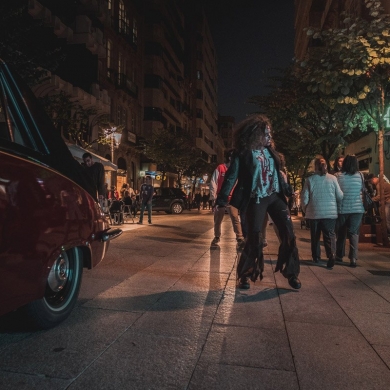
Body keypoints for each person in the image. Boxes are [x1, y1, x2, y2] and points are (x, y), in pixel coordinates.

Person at [215, 114, 301, 290]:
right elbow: (231, 178)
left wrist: (286, 188)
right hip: (256, 198)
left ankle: (291, 273)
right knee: (254, 237)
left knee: (288, 234)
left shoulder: (271, 152)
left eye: (270, 134)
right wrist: (222, 199)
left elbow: (278, 174)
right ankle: (245, 275)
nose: (269, 137)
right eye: (266, 134)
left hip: (275, 196)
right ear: (256, 135)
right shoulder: (243, 154)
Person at [301, 157, 343, 269]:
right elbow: (340, 196)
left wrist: (305, 210)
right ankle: (331, 254)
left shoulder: (310, 180)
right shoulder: (333, 179)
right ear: (326, 166)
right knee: (329, 235)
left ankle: (316, 257)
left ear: (315, 166)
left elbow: (304, 198)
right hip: (330, 214)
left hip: (314, 212)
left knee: (315, 236)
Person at [210, 149, 245, 249]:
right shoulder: (220, 168)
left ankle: (239, 237)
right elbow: (213, 182)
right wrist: (214, 197)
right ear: (230, 158)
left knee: (235, 218)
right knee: (218, 219)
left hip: (232, 199)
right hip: (220, 198)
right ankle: (217, 236)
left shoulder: (237, 169)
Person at [334, 155, 365, 267]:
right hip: (357, 209)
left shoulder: (337, 176)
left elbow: (336, 193)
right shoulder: (360, 175)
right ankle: (353, 258)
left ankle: (339, 255)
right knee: (353, 233)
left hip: (342, 209)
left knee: (341, 233)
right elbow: (362, 190)